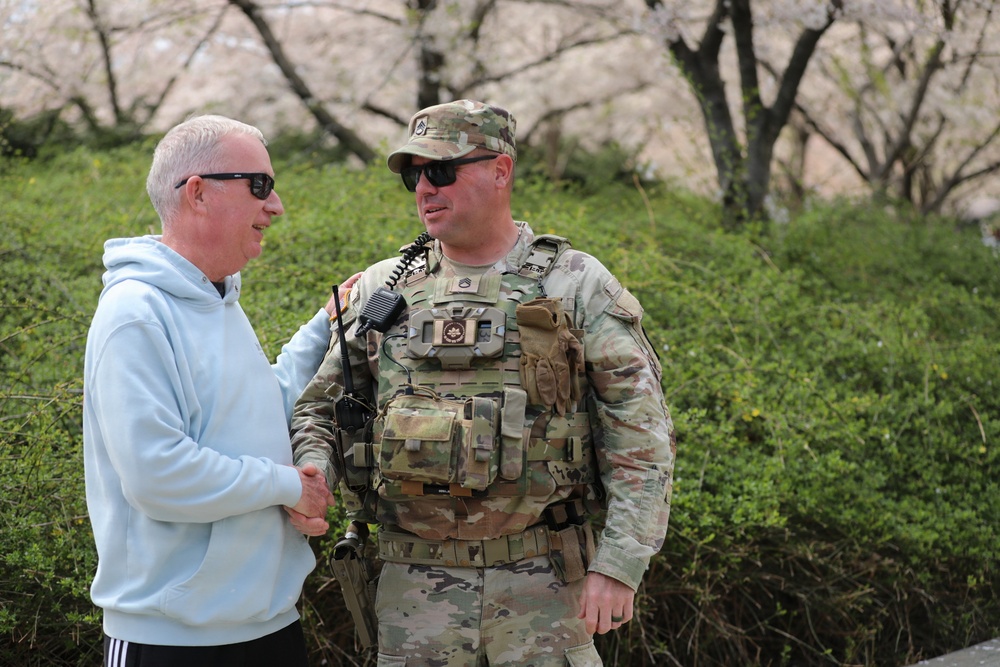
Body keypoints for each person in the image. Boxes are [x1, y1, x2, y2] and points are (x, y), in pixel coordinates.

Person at [289, 99, 675, 666]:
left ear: (501, 170)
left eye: (441, 170)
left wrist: (619, 564)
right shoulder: (383, 288)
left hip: (543, 589)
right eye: (413, 174)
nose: (425, 186)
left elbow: (641, 434)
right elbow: (319, 408)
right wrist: (315, 472)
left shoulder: (575, 284)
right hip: (413, 596)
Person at [83, 114, 358, 667]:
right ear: (199, 193)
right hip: (169, 642)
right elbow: (157, 474)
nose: (275, 205)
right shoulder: (136, 313)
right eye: (259, 185)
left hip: (269, 627)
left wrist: (325, 328)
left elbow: (256, 415)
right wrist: (287, 486)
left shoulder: (217, 300)